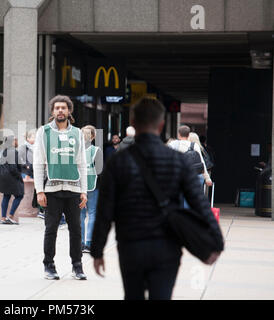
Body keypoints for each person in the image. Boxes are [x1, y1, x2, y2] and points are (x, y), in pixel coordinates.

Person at [91, 97, 223, 300]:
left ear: (133, 124)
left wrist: (97, 250)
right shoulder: (178, 161)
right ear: (161, 125)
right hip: (167, 246)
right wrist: (216, 241)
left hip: (131, 244)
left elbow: (104, 210)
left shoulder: (118, 161)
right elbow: (200, 203)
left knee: (132, 296)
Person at [33, 95, 88, 281]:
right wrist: (39, 190)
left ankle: (77, 266)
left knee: (76, 229)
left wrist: (84, 191)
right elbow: (38, 162)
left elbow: (82, 163)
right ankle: (49, 265)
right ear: (52, 111)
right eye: (57, 108)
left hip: (73, 190)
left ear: (69, 111)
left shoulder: (77, 133)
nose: (60, 111)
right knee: (51, 230)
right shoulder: (44, 132)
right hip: (51, 190)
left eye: (63, 108)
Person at [168, 126, 212, 207]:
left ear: (178, 135)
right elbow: (202, 162)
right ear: (188, 135)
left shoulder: (173, 144)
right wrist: (207, 178)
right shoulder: (194, 145)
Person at [80, 125, 103, 253]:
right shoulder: (96, 150)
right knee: (93, 213)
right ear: (93, 136)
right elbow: (100, 170)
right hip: (93, 185)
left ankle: (81, 243)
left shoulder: (75, 149)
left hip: (78, 185)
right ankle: (89, 242)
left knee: (81, 215)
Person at [0, 135, 23, 225]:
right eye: (15, 140)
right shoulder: (13, 152)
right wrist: (19, 175)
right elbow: (13, 168)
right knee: (19, 196)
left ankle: (3, 218)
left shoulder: (4, 151)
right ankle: (10, 216)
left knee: (6, 196)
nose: (16, 142)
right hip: (12, 178)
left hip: (4, 177)